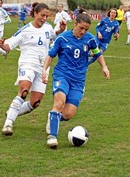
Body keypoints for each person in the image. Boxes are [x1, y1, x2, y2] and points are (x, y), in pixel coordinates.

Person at [42, 12, 110, 148]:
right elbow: (50, 55)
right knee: (59, 102)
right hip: (62, 75)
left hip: (78, 80)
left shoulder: (90, 39)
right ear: (75, 24)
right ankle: (52, 137)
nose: (83, 32)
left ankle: (53, 118)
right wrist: (44, 71)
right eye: (81, 28)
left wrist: (104, 67)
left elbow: (97, 53)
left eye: (86, 29)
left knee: (68, 114)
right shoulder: (62, 38)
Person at [0, 2, 66, 136]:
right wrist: (3, 45)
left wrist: (61, 30)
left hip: (43, 68)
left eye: (46, 16)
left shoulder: (47, 28)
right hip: (27, 64)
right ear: (35, 13)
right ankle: (8, 123)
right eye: (42, 15)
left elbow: (54, 35)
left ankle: (13, 110)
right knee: (24, 90)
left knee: (35, 103)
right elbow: (9, 45)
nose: (44, 18)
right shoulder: (25, 30)